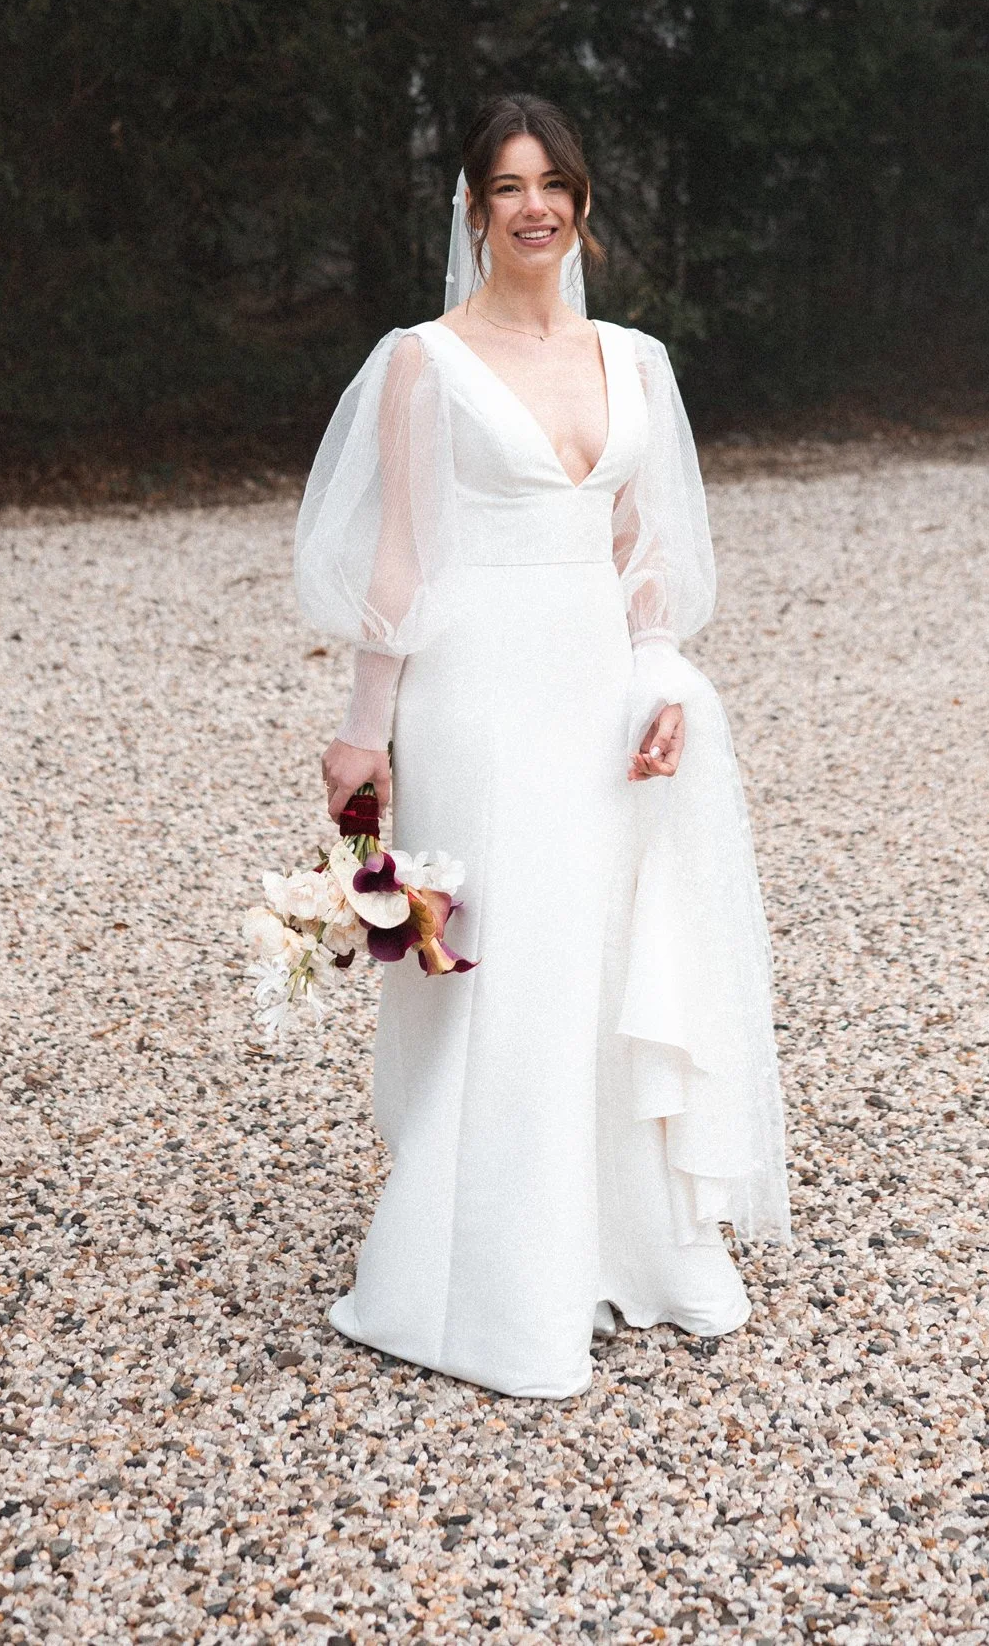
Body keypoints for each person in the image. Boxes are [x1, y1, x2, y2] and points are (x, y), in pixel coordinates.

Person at [295, 93, 788, 1398]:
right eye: (505, 185)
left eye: (551, 182)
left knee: (603, 951)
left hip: (594, 695)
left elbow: (645, 560)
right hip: (475, 692)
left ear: (579, 202)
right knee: (504, 964)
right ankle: (487, 1286)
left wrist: (662, 678)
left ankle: (617, 1242)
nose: (533, 205)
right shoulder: (424, 361)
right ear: (472, 211)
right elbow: (399, 561)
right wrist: (364, 736)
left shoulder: (633, 360)